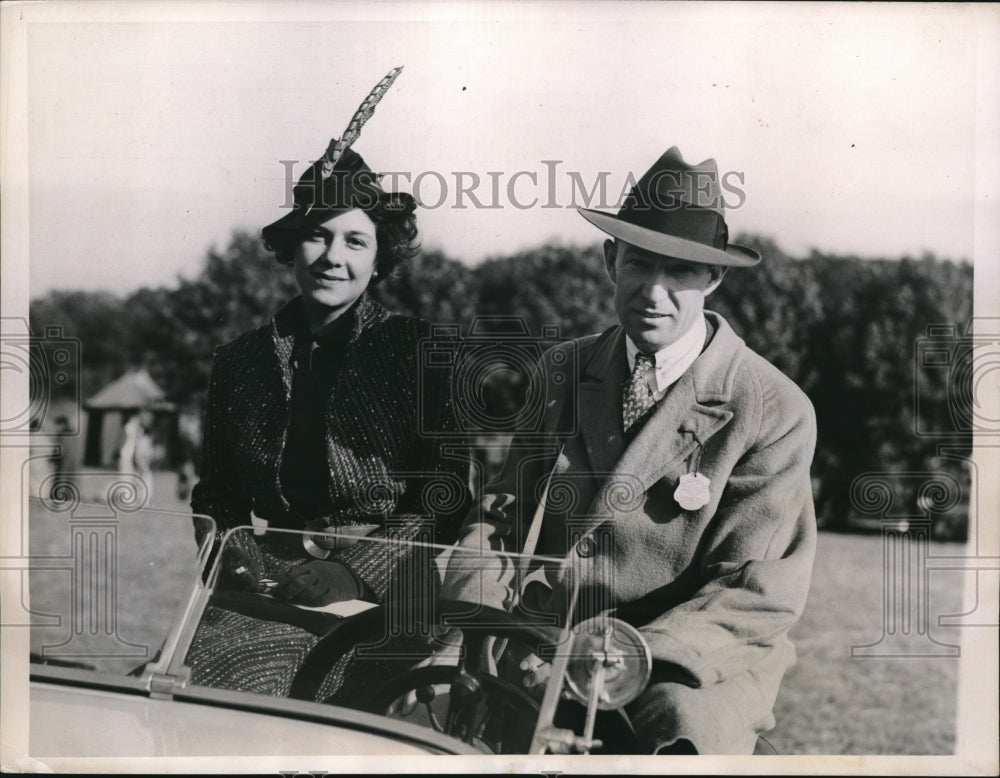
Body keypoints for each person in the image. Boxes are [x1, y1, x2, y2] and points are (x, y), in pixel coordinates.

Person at [441, 147, 817, 754]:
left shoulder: (772, 409)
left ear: (714, 278)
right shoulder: (563, 368)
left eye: (681, 272)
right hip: (543, 641)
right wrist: (479, 611)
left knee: (680, 728)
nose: (654, 291)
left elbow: (753, 593)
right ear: (610, 258)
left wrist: (607, 657)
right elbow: (500, 517)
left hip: (689, 663)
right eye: (640, 263)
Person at [186, 135, 469, 698]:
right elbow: (215, 494)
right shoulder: (239, 360)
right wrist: (239, 561)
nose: (333, 257)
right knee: (187, 689)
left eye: (355, 240)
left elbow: (445, 494)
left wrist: (355, 570)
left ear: (378, 258)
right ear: (293, 246)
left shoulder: (424, 353)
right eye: (318, 234)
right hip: (269, 589)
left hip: (388, 595)